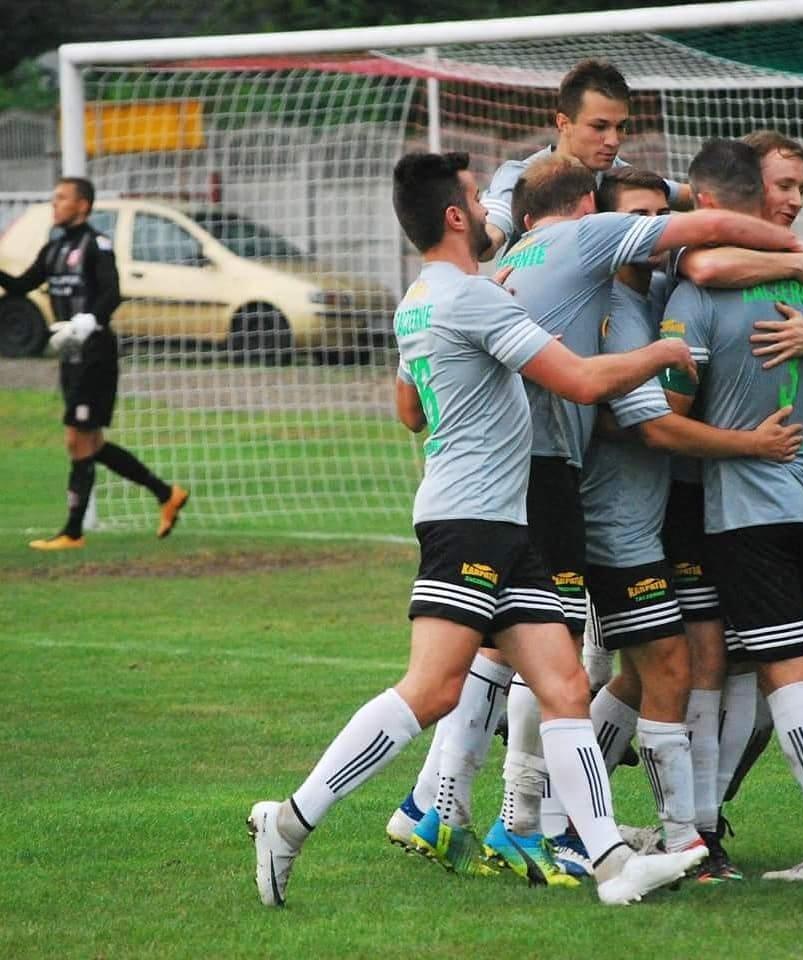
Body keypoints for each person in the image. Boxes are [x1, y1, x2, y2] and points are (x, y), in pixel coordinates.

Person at [248, 151, 708, 908]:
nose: (494, 211)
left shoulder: (422, 298)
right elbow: (582, 381)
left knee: (564, 686)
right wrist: (658, 352)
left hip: (502, 518)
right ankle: (290, 823)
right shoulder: (474, 300)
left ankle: (611, 866)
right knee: (431, 689)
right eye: (477, 197)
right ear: (457, 216)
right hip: (469, 521)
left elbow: (410, 411)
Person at [580, 166, 803, 883]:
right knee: (668, 667)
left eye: (659, 214)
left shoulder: (658, 283)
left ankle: (588, 822)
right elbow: (651, 428)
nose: (651, 229)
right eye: (635, 217)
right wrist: (751, 444)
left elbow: (704, 254)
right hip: (623, 519)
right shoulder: (615, 304)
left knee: (655, 673)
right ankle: (672, 834)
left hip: (672, 510)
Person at [661, 137, 803, 883]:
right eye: (785, 187)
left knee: (782, 680)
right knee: (746, 674)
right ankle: (702, 831)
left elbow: (668, 418)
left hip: (746, 513)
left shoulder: (697, 296)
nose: (795, 200)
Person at [0, 177, 188, 549]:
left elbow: (112, 292)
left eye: (62, 198)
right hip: (71, 357)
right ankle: (166, 493)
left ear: (82, 205)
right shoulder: (54, 247)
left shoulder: (96, 245)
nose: (55, 203)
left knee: (77, 438)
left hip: (96, 355)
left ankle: (73, 532)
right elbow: (21, 286)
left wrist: (88, 321)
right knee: (92, 442)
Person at [480, 58, 692, 261]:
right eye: (599, 127)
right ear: (563, 123)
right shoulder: (521, 177)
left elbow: (691, 195)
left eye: (620, 127)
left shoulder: (620, 177)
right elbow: (489, 238)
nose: (613, 140)